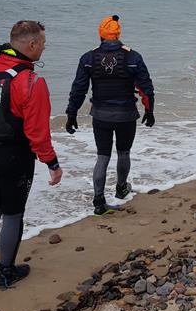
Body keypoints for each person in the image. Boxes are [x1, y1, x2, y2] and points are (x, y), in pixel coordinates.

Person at [0, 20, 62, 288]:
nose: (43, 48)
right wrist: (52, 163)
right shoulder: (30, 81)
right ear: (31, 45)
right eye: (42, 43)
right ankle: (6, 272)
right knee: (13, 214)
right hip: (14, 157)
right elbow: (38, 132)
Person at [65, 15, 154, 215]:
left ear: (101, 34)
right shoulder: (133, 57)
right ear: (118, 33)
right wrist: (150, 110)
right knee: (124, 153)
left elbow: (79, 89)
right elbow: (146, 88)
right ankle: (121, 188)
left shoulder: (89, 58)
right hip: (126, 116)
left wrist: (72, 113)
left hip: (101, 116)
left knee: (102, 156)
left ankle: (98, 201)